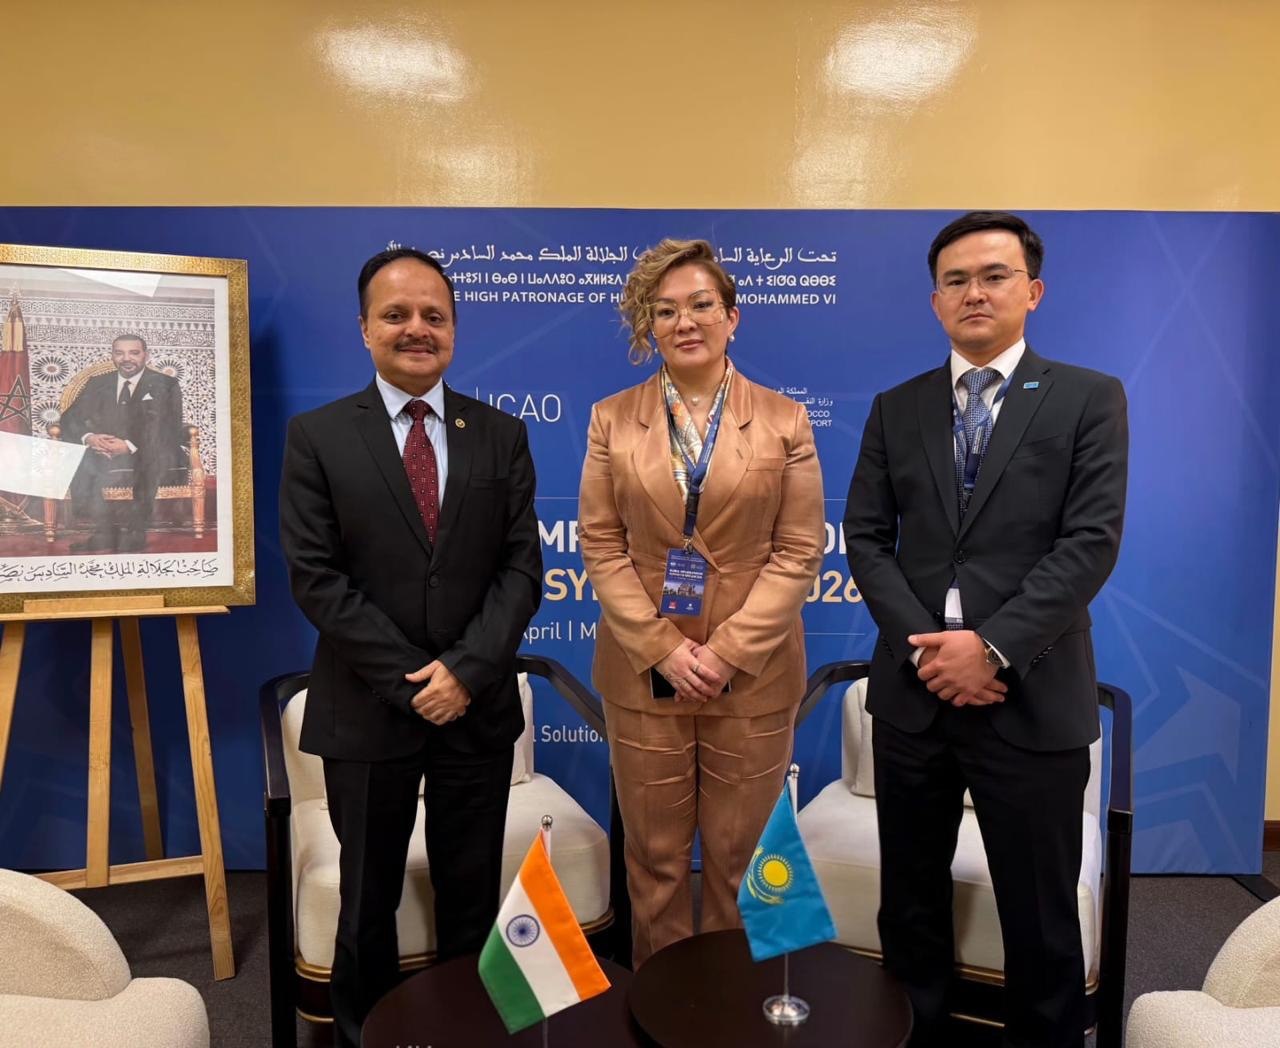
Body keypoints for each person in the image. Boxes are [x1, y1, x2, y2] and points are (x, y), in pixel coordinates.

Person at [843, 211, 1128, 1046]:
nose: (975, 292)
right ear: (935, 301)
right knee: (910, 907)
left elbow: (1090, 542)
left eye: (994, 275)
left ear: (1032, 291)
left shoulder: (1088, 398)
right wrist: (929, 653)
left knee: (1040, 917)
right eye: (956, 280)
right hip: (915, 696)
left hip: (1030, 694)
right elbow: (866, 538)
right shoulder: (897, 408)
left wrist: (991, 648)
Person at [279, 246, 542, 1048]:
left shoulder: (500, 434)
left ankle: (468, 1032)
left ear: (454, 329)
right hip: (367, 711)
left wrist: (464, 672)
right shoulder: (318, 436)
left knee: (472, 898)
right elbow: (317, 578)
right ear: (365, 329)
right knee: (368, 904)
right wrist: (414, 681)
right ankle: (366, 1035)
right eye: (396, 314)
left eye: (434, 315)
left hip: (476, 709)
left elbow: (521, 570)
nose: (416, 329)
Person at [578, 238, 824, 967]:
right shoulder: (610, 419)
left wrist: (725, 653)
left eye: (701, 305)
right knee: (654, 863)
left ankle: (726, 1007)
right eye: (666, 310)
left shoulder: (785, 420)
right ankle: (660, 1002)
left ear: (732, 317)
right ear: (650, 325)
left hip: (752, 674)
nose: (684, 322)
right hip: (642, 671)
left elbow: (798, 551)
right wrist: (664, 648)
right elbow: (602, 545)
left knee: (739, 861)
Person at [58, 333, 183, 552]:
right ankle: (103, 532)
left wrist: (129, 446)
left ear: (146, 355)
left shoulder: (166, 384)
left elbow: (169, 427)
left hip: (148, 449)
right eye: (119, 353)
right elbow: (70, 418)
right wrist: (90, 438)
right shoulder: (98, 383)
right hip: (103, 450)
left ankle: (136, 533)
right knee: (79, 461)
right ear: (112, 356)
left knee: (150, 459)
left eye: (134, 353)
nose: (126, 358)